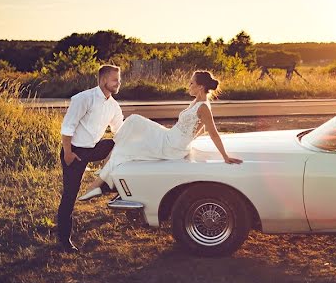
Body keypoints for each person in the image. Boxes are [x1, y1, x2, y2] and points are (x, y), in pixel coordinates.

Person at [79, 70, 242, 200]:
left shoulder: (203, 107)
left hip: (172, 146)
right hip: (172, 137)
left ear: (200, 87)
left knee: (129, 140)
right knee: (133, 123)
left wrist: (225, 156)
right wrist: (190, 138)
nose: (189, 85)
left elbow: (213, 132)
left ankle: (97, 183)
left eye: (191, 82)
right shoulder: (197, 102)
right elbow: (200, 128)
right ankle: (103, 173)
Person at [57, 64, 125, 253]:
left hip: (93, 149)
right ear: (104, 80)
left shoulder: (113, 105)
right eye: (115, 80)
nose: (119, 83)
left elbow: (120, 130)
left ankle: (110, 182)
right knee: (70, 195)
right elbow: (67, 127)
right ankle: (64, 240)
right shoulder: (83, 98)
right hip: (75, 152)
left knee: (116, 142)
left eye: (119, 80)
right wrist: (68, 153)